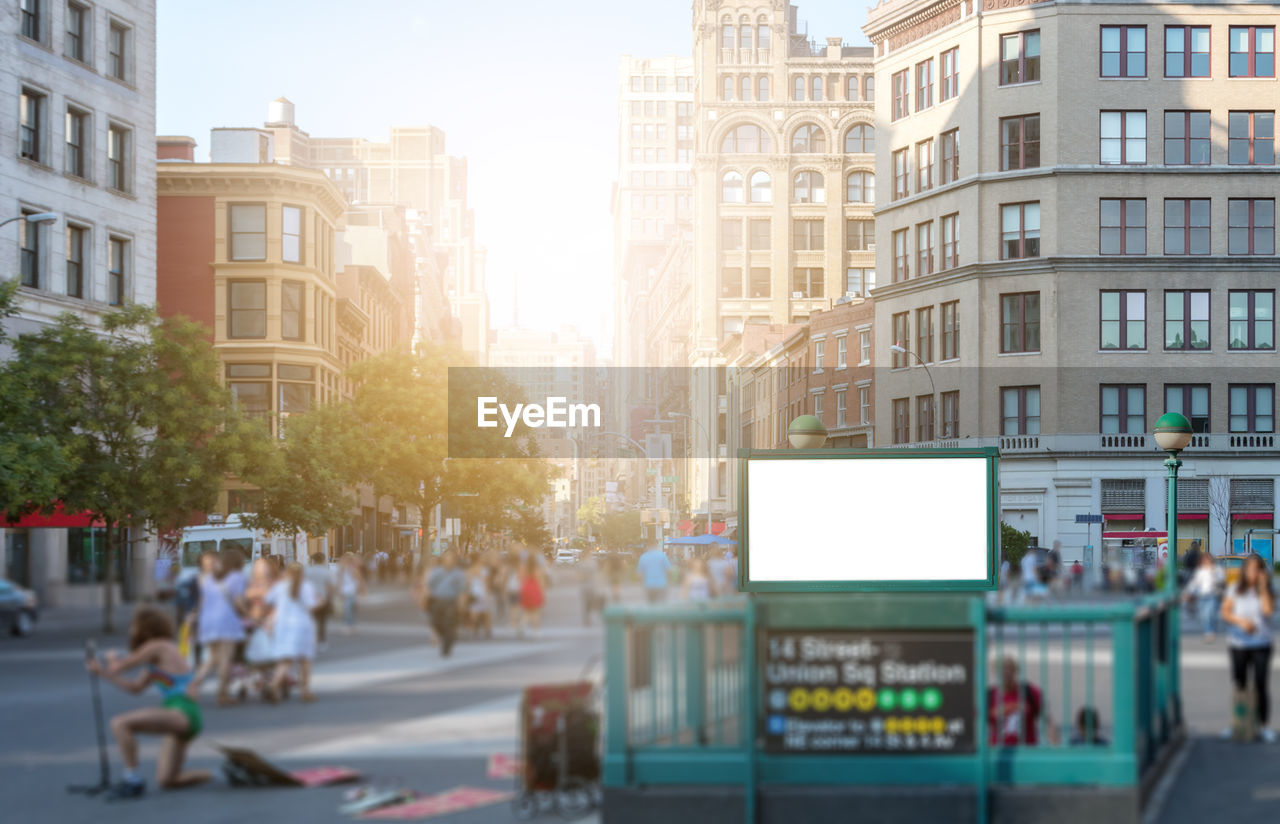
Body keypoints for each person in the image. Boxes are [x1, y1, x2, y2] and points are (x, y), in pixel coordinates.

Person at [88, 607, 210, 798]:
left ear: (144, 627)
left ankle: (132, 778)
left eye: (133, 626)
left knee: (120, 723)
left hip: (182, 710)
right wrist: (103, 673)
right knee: (167, 780)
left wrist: (110, 661)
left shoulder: (158, 645)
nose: (131, 631)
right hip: (182, 715)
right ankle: (215, 775)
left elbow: (119, 667)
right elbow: (135, 688)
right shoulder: (156, 659)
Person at [1220, 553, 1275, 742]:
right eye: (1250, 569)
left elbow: (1268, 612)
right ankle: (1238, 724)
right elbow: (1225, 612)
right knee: (1239, 684)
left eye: (1257, 569)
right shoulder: (1235, 589)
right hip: (1239, 644)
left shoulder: (1266, 591)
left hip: (1261, 643)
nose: (1253, 573)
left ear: (1262, 571)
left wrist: (1262, 587)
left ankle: (1263, 726)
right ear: (1244, 571)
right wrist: (1241, 622)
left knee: (1261, 685)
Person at [189, 549, 246, 706]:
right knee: (225, 659)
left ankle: (194, 684)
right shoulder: (236, 577)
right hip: (226, 620)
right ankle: (223, 694)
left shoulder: (208, 578)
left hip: (208, 621)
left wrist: (196, 619)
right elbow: (238, 602)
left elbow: (202, 602)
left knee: (212, 658)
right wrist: (250, 615)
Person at [265, 562, 318, 702]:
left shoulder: (280, 586)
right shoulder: (306, 586)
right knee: (305, 660)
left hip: (282, 626)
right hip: (302, 625)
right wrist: (321, 602)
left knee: (285, 660)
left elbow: (268, 600)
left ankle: (274, 684)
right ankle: (305, 692)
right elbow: (311, 606)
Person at [988, 656, 1058, 746]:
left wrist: (1056, 746)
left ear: (1015, 670)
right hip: (997, 752)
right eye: (1001, 669)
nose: (1006, 672)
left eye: (1009, 668)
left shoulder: (1030, 692)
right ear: (995, 672)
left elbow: (1048, 721)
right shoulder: (989, 696)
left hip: (1026, 753)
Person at [426, 551, 468, 656]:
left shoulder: (457, 573)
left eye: (450, 559)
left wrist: (461, 604)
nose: (448, 561)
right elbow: (430, 584)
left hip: (451, 601)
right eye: (446, 559)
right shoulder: (438, 571)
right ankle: (446, 635)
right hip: (438, 600)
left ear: (454, 561)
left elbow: (462, 589)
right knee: (436, 623)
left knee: (449, 623)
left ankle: (447, 646)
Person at [1186, 553, 1225, 641]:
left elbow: (1221, 580)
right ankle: (1209, 630)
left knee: (1210, 614)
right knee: (1203, 615)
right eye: (1204, 560)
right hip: (1202, 595)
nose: (1206, 561)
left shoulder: (1217, 569)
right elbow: (1195, 583)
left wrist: (1213, 573)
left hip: (1213, 594)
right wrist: (1188, 592)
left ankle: (1210, 631)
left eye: (1208, 560)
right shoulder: (1200, 571)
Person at [305, 553, 334, 652]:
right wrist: (330, 598)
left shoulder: (307, 571)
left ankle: (310, 641)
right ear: (323, 560)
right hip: (322, 599)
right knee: (322, 622)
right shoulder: (326, 572)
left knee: (311, 621)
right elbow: (329, 587)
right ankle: (321, 641)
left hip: (310, 600)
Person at [518, 555, 547, 638]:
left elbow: (521, 578)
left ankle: (522, 625)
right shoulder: (537, 568)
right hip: (534, 589)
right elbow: (540, 580)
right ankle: (536, 631)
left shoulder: (524, 568)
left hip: (525, 588)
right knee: (535, 611)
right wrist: (543, 592)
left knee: (527, 610)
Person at [336, 552, 364, 635]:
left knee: (349, 608)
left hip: (351, 590)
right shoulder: (342, 569)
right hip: (346, 591)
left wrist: (362, 590)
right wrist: (339, 589)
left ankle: (350, 624)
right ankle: (350, 624)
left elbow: (359, 579)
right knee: (348, 608)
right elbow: (340, 580)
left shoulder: (353, 569)